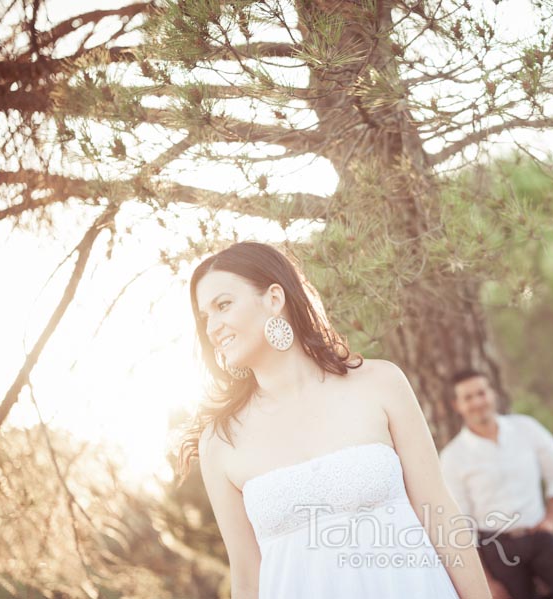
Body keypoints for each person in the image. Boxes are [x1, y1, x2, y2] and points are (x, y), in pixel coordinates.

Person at [176, 241, 491, 599]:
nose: (213, 326)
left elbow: (439, 513)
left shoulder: (380, 383)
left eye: (223, 305)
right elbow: (248, 580)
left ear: (274, 299)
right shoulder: (220, 442)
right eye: (205, 317)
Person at [440, 369, 553, 599]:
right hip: (497, 548)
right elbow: (462, 526)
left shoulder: (526, 428)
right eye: (468, 398)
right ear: (457, 405)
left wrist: (551, 519)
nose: (477, 402)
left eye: (481, 393)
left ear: (492, 393)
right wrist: (487, 582)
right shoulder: (452, 457)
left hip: (537, 534)